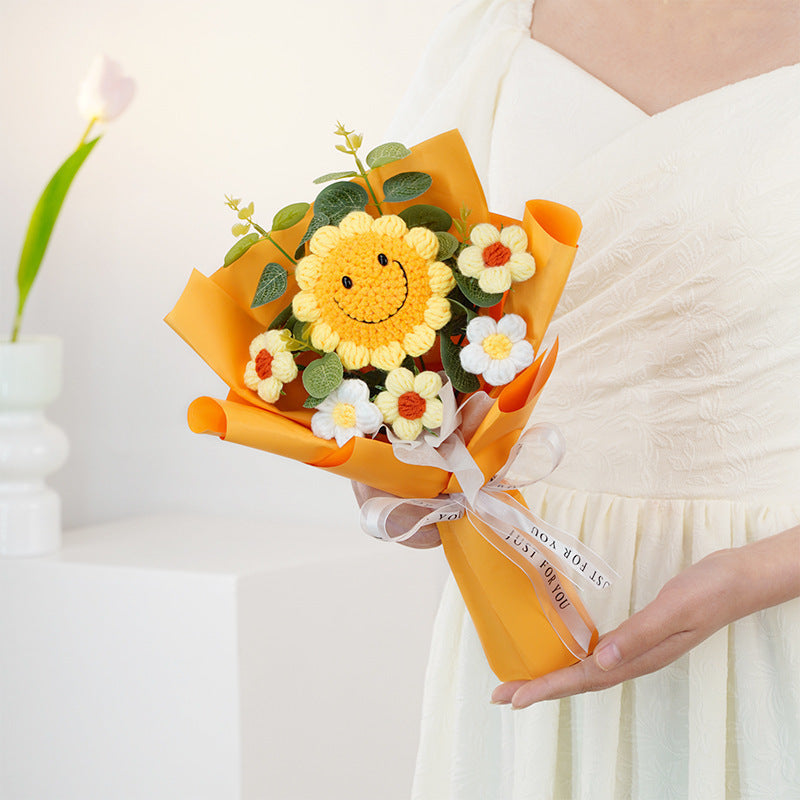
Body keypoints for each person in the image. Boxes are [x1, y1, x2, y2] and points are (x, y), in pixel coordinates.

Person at [387, 1, 800, 797]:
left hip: (771, 619)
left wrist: (756, 574)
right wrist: (406, 475)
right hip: (529, 597)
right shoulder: (494, 27)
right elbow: (409, 302)